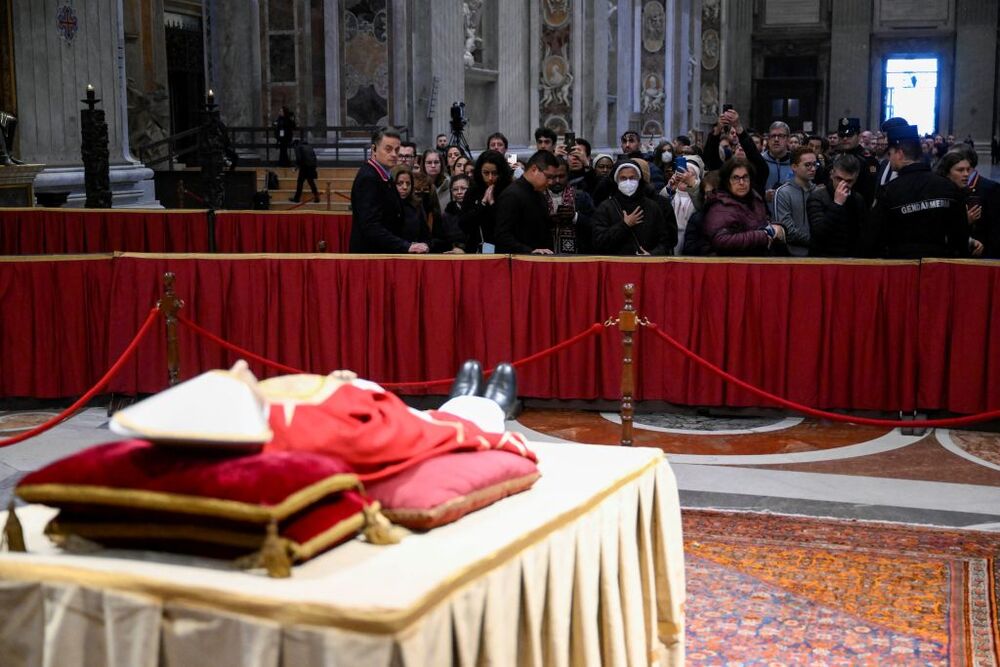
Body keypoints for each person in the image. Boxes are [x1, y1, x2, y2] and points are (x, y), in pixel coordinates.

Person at [867, 124, 968, 258]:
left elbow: (872, 237)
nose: (889, 159)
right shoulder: (948, 187)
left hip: (900, 269)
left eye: (890, 154)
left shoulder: (889, 191)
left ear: (900, 153)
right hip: (938, 267)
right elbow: (961, 237)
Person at [350, 127, 429, 254]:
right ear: (374, 149)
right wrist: (405, 246)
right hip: (372, 257)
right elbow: (371, 226)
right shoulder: (369, 178)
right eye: (388, 149)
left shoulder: (384, 175)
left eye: (396, 150)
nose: (393, 154)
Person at [703, 157, 785, 256]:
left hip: (758, 261)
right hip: (733, 265)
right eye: (736, 178)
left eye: (745, 177)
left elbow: (763, 222)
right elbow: (721, 240)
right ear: (726, 181)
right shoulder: (719, 205)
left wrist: (777, 228)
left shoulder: (755, 199)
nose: (742, 183)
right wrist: (763, 235)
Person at [591, 162, 671, 256]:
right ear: (616, 181)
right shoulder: (605, 208)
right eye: (623, 178)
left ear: (639, 179)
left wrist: (652, 254)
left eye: (632, 178)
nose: (628, 182)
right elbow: (598, 242)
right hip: (615, 266)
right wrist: (624, 225)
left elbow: (665, 242)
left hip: (647, 266)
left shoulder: (653, 207)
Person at [494, 150, 562, 254]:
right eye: (548, 177)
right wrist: (530, 251)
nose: (551, 182)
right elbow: (502, 235)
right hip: (519, 262)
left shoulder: (540, 194)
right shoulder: (511, 195)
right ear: (534, 169)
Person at [807, 154, 866, 257]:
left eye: (849, 181)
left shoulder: (858, 199)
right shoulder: (817, 197)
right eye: (839, 179)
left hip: (851, 259)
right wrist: (837, 204)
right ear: (832, 174)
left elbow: (862, 233)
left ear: (856, 178)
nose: (843, 184)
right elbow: (818, 233)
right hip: (824, 259)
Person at [934, 151, 985, 257]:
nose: (966, 174)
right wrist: (964, 222)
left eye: (968, 169)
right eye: (960, 170)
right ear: (947, 172)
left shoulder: (965, 194)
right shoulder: (938, 196)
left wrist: (970, 241)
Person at [460, 150, 513, 253]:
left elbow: (507, 225)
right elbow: (464, 224)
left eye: (494, 173)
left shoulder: (509, 191)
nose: (490, 178)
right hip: (476, 248)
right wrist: (482, 204)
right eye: (486, 173)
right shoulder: (473, 191)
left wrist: (493, 203)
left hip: (503, 250)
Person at [773, 146, 818, 256]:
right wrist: (817, 242)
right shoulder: (783, 192)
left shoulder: (819, 192)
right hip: (790, 255)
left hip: (817, 255)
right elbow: (787, 231)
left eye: (815, 164)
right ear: (794, 167)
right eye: (807, 165)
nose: (813, 169)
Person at [545, 158, 595, 254]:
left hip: (577, 255)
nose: (557, 181)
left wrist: (575, 217)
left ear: (568, 175)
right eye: (552, 177)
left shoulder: (581, 197)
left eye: (561, 176)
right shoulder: (537, 197)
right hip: (545, 255)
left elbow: (595, 225)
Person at [833, 117, 879, 208]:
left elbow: (871, 191)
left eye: (849, 135)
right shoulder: (835, 158)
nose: (845, 138)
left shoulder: (867, 160)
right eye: (842, 135)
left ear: (858, 136)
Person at [761, 121, 793, 213]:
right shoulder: (760, 161)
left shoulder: (796, 163)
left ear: (788, 139)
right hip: (765, 216)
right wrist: (763, 195)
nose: (776, 139)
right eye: (772, 136)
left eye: (781, 136)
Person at [289, 139, 320, 203]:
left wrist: (296, 168)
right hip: (312, 166)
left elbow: (299, 158)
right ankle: (317, 197)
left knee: (300, 182)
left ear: (295, 144)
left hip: (304, 166)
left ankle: (296, 198)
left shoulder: (298, 147)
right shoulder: (309, 147)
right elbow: (314, 157)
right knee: (311, 181)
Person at [421, 149, 451, 214]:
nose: (433, 166)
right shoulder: (418, 185)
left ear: (441, 164)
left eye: (436, 162)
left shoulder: (449, 184)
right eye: (429, 163)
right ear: (423, 165)